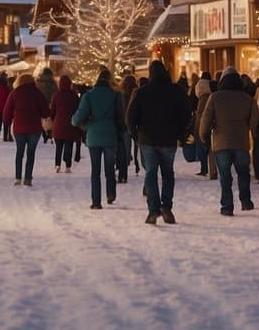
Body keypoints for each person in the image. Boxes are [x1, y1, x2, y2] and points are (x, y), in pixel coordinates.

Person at [127, 60, 191, 224]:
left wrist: (136, 135)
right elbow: (186, 115)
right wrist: (181, 135)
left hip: (147, 139)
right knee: (168, 174)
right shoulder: (176, 91)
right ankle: (167, 207)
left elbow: (130, 117)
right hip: (168, 139)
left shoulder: (143, 92)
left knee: (151, 173)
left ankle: (153, 209)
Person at [200, 67, 259, 216]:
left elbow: (205, 119)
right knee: (243, 172)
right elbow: (255, 121)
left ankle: (227, 206)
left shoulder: (215, 97)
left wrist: (204, 136)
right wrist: (253, 133)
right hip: (241, 142)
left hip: (221, 142)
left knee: (225, 175)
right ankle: (246, 201)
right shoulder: (248, 99)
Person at [71, 69, 123, 209]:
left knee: (95, 170)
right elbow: (120, 116)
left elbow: (78, 118)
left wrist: (82, 123)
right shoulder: (115, 96)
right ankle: (111, 193)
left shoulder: (88, 96)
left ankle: (96, 202)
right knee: (110, 167)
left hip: (93, 136)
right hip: (110, 135)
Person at [2, 73, 47, 186]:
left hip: (19, 128)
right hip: (34, 128)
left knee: (19, 152)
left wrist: (6, 122)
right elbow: (46, 111)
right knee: (31, 153)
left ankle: (18, 177)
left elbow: (7, 111)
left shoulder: (14, 93)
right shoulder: (37, 93)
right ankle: (28, 178)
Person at [50, 75, 81, 173]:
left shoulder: (56, 95)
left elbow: (52, 111)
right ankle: (68, 165)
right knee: (69, 145)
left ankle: (57, 165)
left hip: (58, 124)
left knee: (58, 147)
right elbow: (78, 109)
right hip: (70, 125)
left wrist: (54, 119)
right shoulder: (74, 95)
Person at [192, 77, 213, 176]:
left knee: (202, 146)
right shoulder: (212, 95)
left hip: (202, 125)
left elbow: (201, 115)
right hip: (211, 124)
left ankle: (204, 168)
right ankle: (210, 168)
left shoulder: (202, 98)